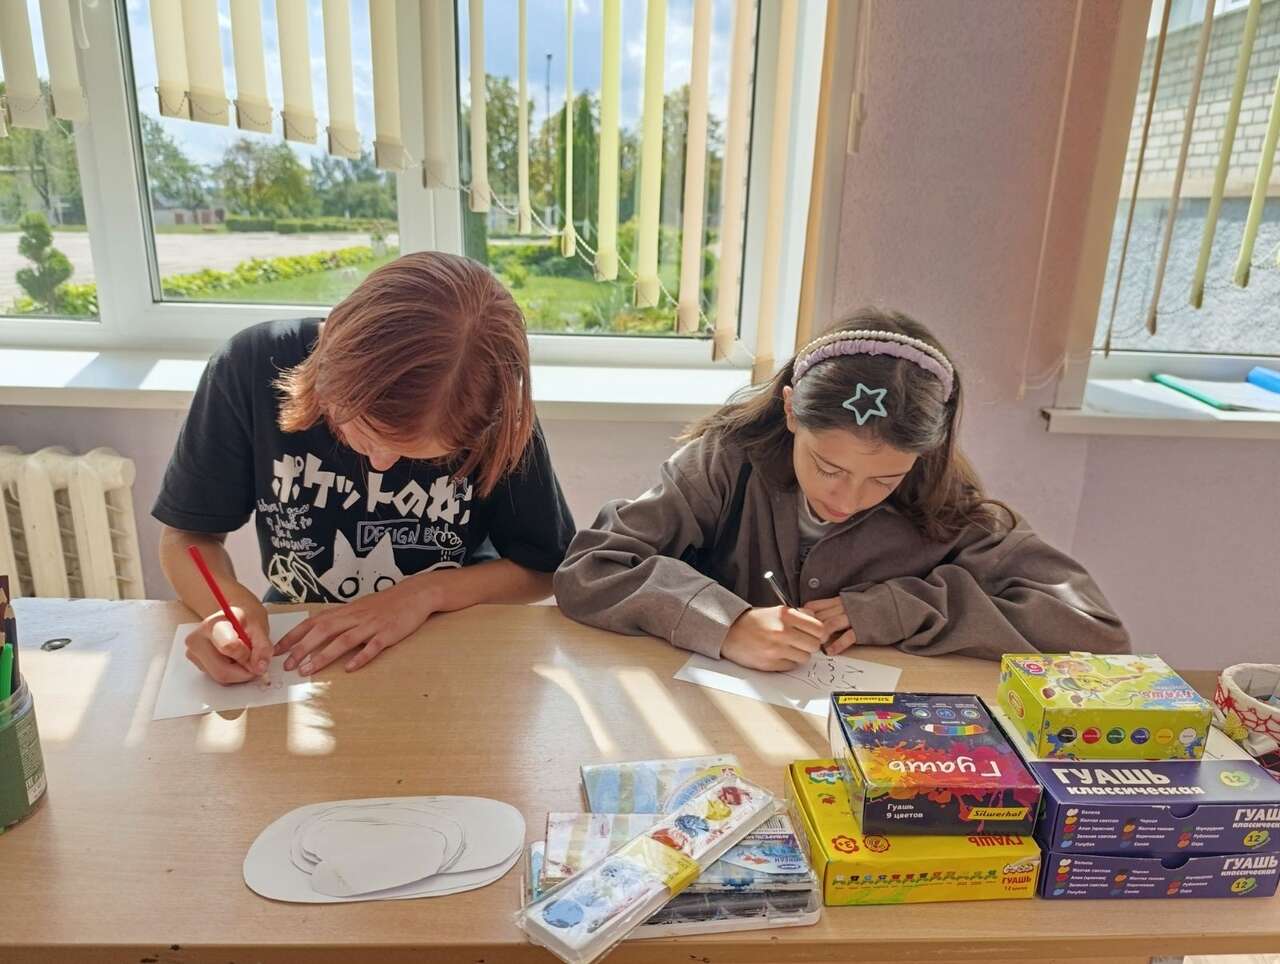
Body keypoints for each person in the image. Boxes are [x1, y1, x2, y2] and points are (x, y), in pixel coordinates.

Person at [555, 308, 1128, 669]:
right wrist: (724, 623)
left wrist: (899, 609)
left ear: (923, 456)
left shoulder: (941, 501)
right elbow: (590, 568)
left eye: (884, 479)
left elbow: (1095, 631)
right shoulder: (725, 462)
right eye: (828, 467)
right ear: (791, 412)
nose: (848, 500)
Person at [154, 252, 575, 683]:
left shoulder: (488, 404)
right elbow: (187, 536)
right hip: (301, 644)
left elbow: (544, 567)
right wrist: (227, 607)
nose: (380, 464)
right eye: (364, 433)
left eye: (422, 456)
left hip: (450, 639)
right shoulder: (252, 365)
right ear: (330, 358)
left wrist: (425, 594)